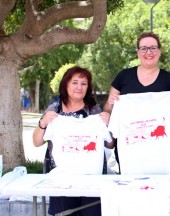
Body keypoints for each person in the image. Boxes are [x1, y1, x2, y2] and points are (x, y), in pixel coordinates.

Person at [33, 66, 114, 216]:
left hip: (92, 179)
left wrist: (109, 125)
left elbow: (110, 144)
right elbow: (37, 142)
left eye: (84, 84)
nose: (79, 87)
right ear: (66, 84)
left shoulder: (95, 112)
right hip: (61, 180)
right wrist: (43, 123)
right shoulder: (54, 110)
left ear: (88, 88)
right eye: (75, 82)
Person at [103, 32, 170, 170]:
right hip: (129, 153)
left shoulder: (169, 80)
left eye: (153, 48)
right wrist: (111, 103)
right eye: (143, 48)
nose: (148, 52)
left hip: (160, 156)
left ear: (159, 51)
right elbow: (108, 110)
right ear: (137, 51)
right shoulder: (124, 76)